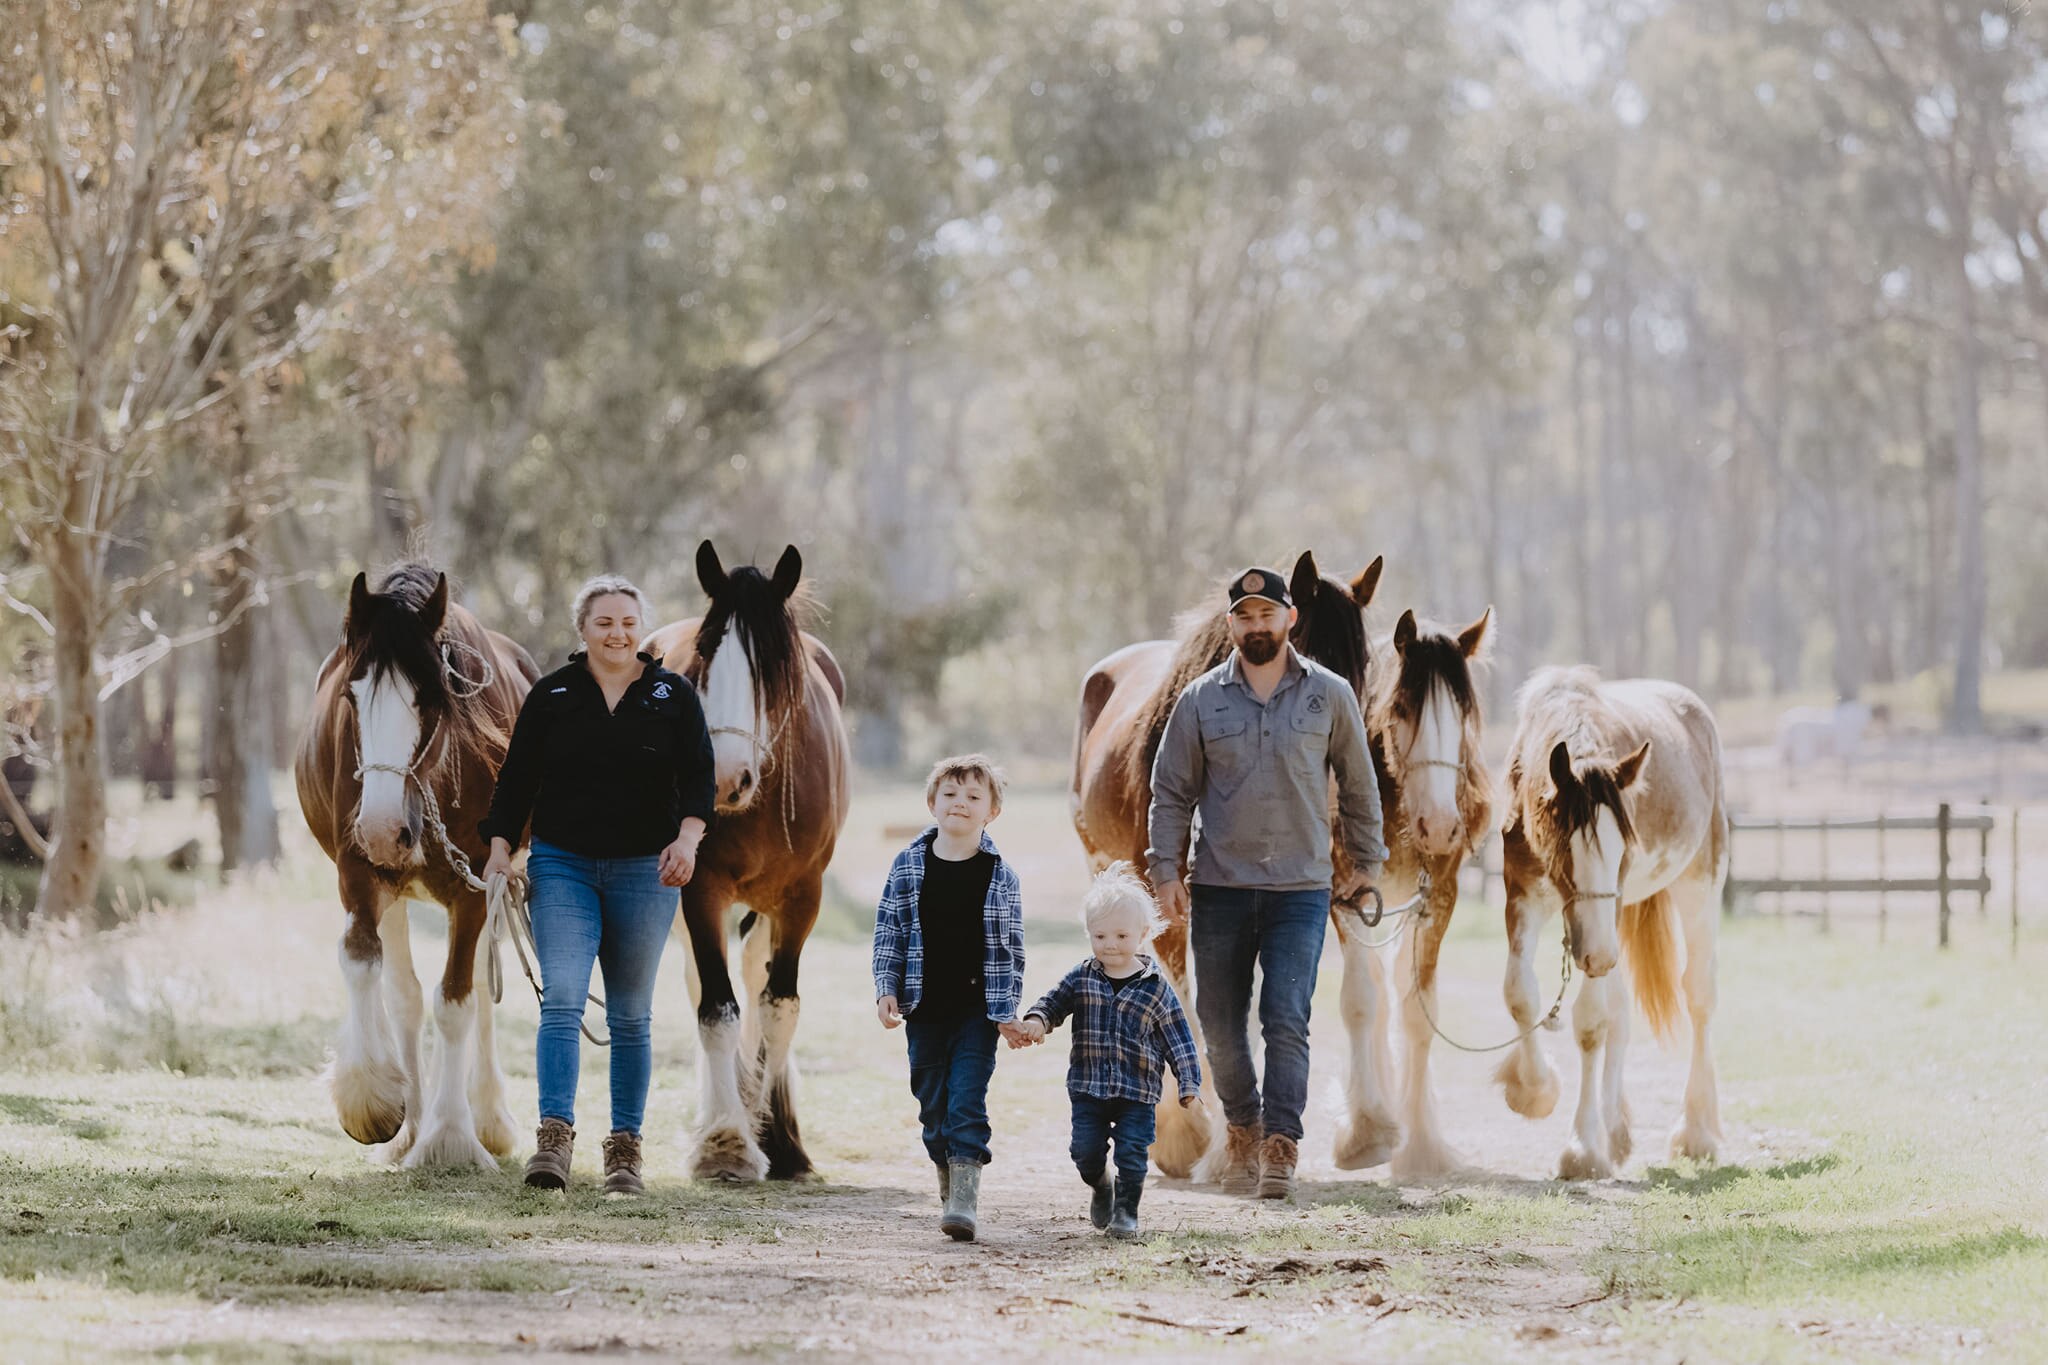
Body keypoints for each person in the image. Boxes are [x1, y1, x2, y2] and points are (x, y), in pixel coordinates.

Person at [1146, 565, 1386, 1198]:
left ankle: (1281, 1144)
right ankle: (1244, 1129)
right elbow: (1169, 791)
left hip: (1300, 891)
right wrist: (1165, 871)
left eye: (1267, 615)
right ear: (1231, 626)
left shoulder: (1329, 695)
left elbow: (1359, 785)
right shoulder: (1200, 701)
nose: (1257, 626)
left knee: (1286, 1017)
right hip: (1221, 888)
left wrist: (1367, 863)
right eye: (1245, 617)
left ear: (1290, 620)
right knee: (1219, 1022)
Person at [479, 574, 714, 1195]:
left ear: (642, 628)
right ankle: (553, 1142)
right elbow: (517, 778)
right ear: (582, 629)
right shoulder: (553, 694)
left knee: (632, 1016)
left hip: (647, 870)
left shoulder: (673, 694)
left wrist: (687, 841)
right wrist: (502, 849)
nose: (618, 632)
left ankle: (624, 1155)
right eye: (605, 622)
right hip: (563, 865)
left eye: (628, 621)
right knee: (561, 999)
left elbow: (699, 779)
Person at [872, 754, 1029, 1242]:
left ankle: (964, 1198)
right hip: (923, 1009)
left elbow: (1012, 950)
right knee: (932, 1105)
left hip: (977, 1013)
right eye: (951, 794)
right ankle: (947, 1176)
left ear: (992, 812)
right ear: (932, 803)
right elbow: (888, 932)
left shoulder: (1001, 875)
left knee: (966, 1102)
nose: (961, 803)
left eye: (974, 797)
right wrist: (885, 988)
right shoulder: (908, 865)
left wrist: (1006, 1010)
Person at [1015, 863, 1201, 1240]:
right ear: (1088, 934)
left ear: (1143, 934)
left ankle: (1127, 1212)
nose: (1110, 944)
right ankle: (1102, 1186)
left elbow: (1178, 1039)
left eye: (1121, 935)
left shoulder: (1156, 989)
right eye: (1100, 935)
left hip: (1137, 1092)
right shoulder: (1082, 976)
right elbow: (1053, 1002)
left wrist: (1189, 1084)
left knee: (1133, 1154)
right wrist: (1037, 1020)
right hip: (1089, 1087)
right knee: (1084, 1152)